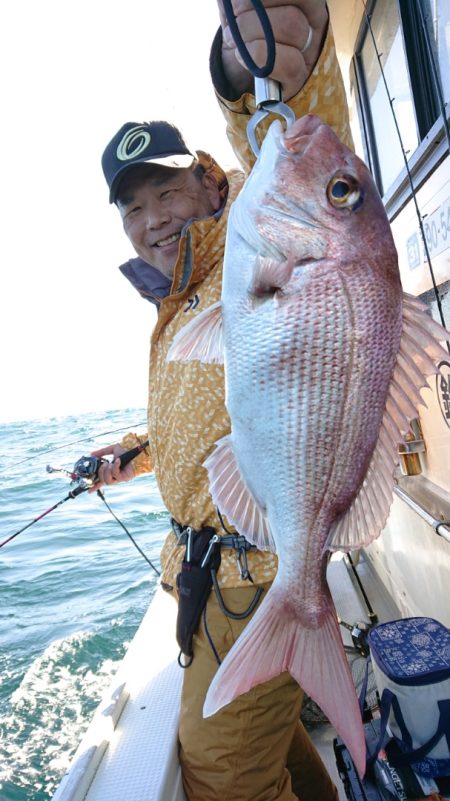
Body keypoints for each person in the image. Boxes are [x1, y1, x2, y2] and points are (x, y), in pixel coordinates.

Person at [92, 2, 354, 799]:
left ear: (210, 181)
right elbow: (214, 416)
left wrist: (256, 74)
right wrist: (132, 456)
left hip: (256, 575)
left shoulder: (260, 235)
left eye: (166, 190)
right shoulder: (177, 303)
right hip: (205, 577)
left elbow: (304, 148)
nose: (150, 219)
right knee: (257, 746)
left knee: (224, 774)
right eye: (132, 206)